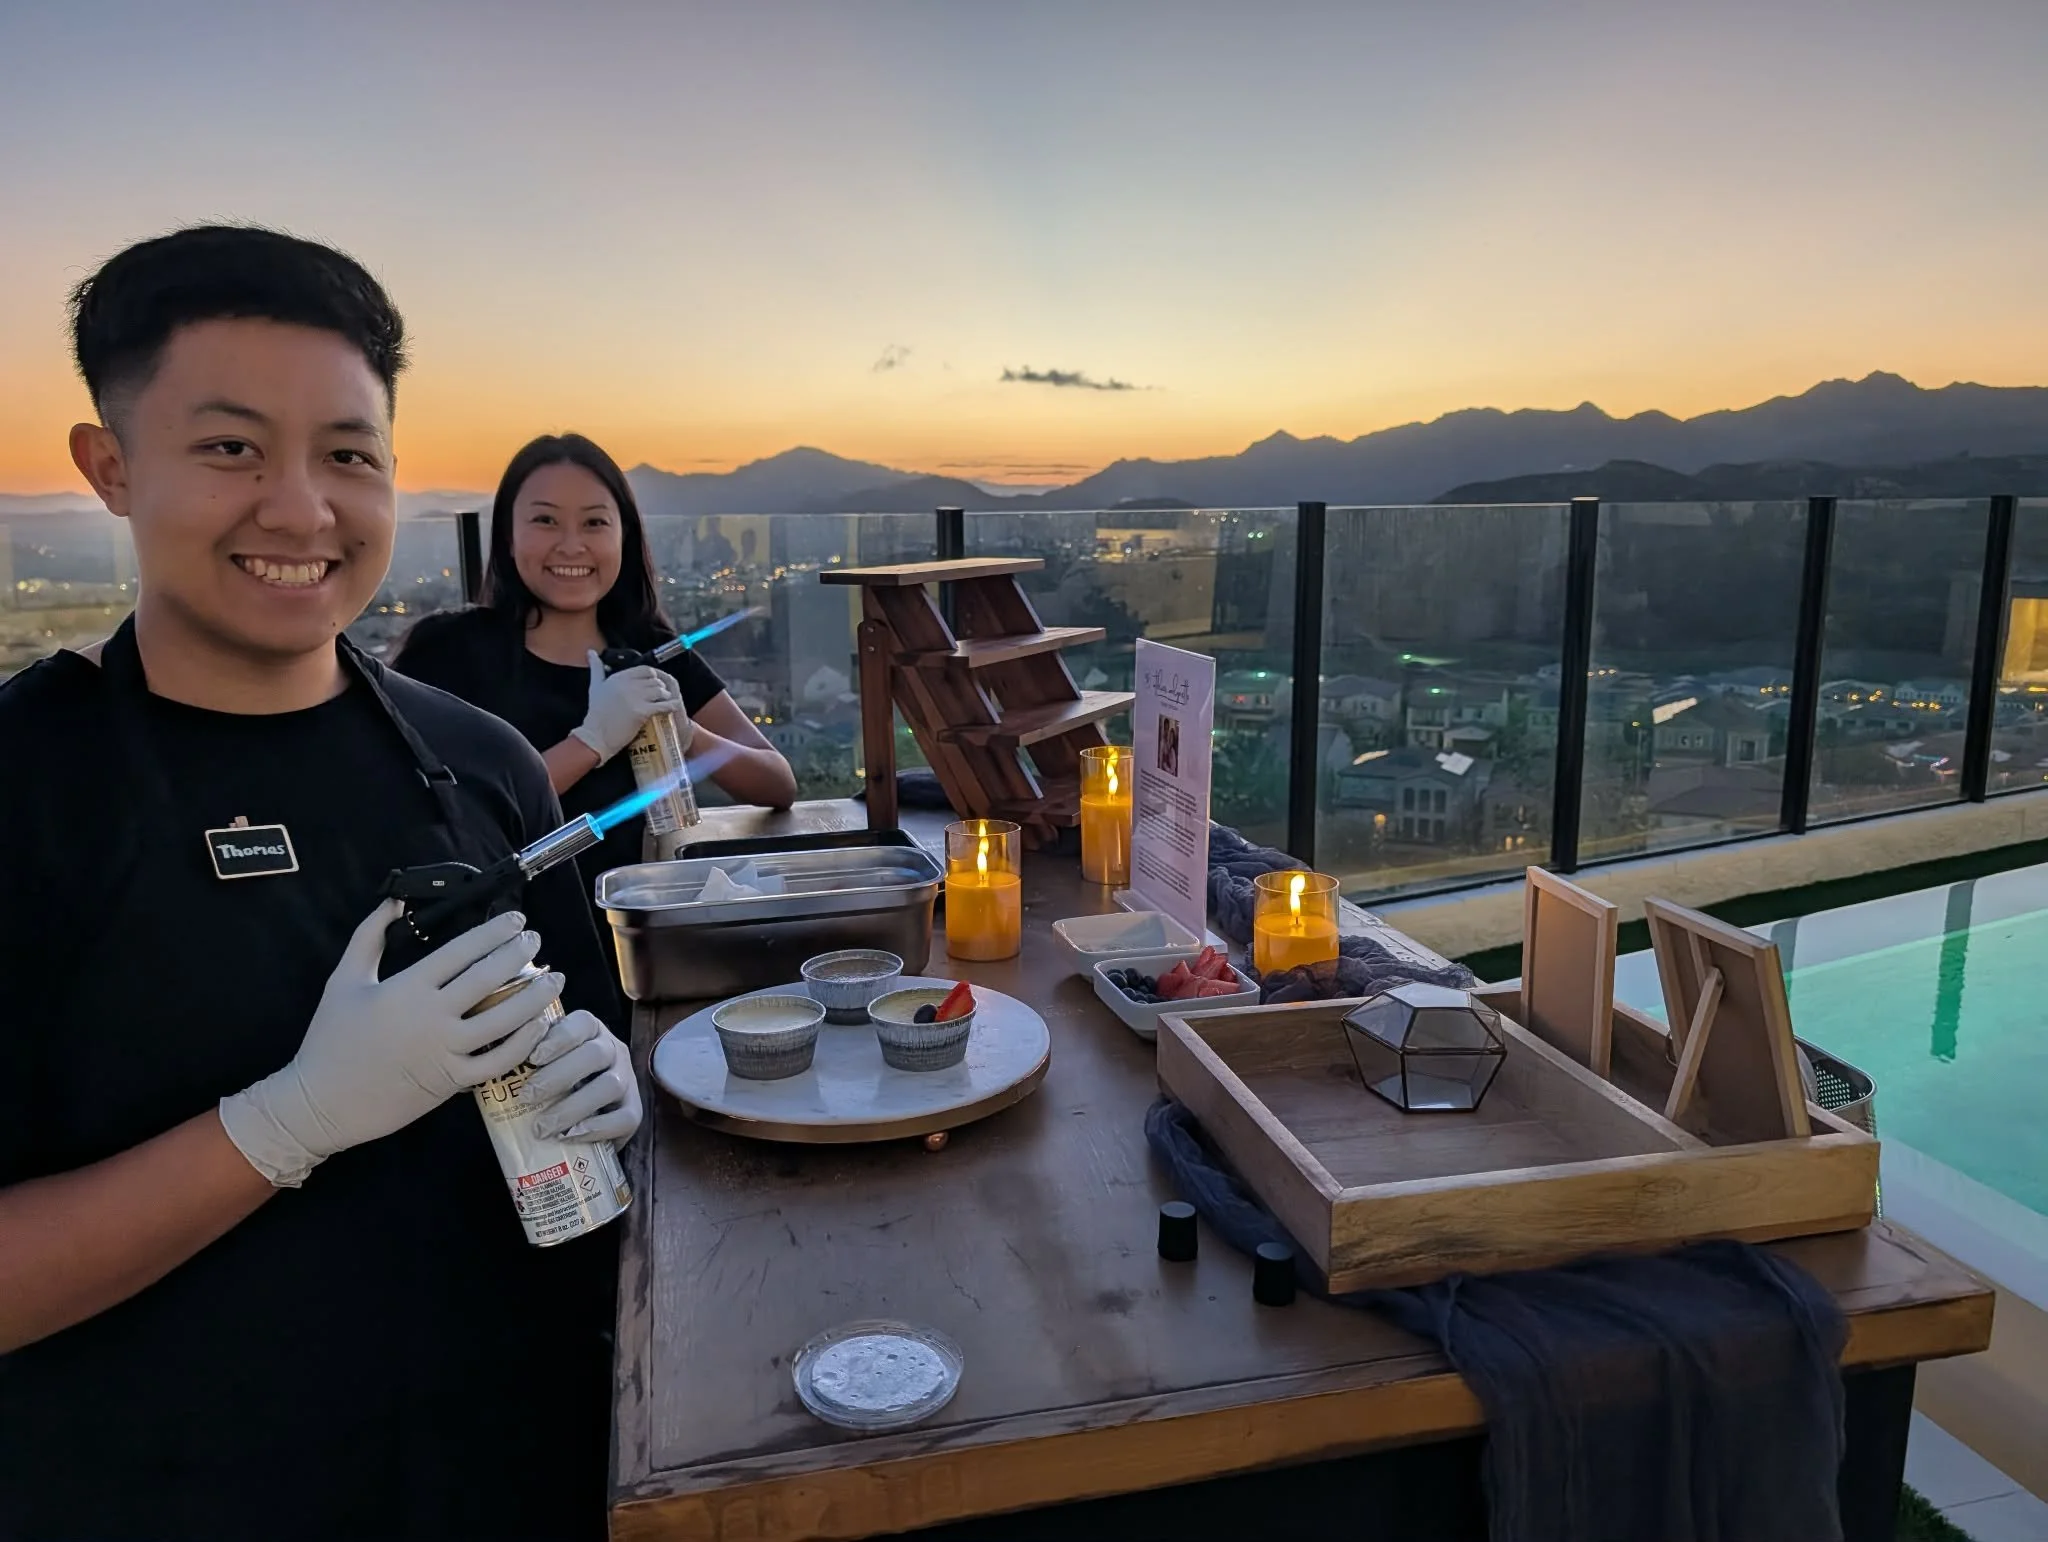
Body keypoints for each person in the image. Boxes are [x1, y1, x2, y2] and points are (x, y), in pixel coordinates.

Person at [0, 226, 643, 1542]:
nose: (301, 510)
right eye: (231, 447)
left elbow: (580, 1050)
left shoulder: (482, 765)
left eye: (348, 455)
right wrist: (282, 1125)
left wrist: (604, 1093)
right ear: (111, 466)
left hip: (520, 1462)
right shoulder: (29, 787)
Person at [392, 433, 796, 917]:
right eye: (545, 520)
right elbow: (447, 818)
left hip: (629, 934)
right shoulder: (449, 651)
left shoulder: (651, 653)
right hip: (499, 942)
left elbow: (777, 784)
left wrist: (686, 733)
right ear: (508, 536)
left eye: (595, 522)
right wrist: (591, 742)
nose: (571, 545)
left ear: (623, 537)